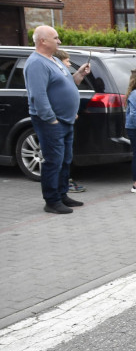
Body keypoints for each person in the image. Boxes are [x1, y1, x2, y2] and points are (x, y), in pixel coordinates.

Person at [25, 26, 91, 214]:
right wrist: (51, 119)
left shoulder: (54, 60)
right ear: (43, 41)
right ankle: (52, 200)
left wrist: (80, 75)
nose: (59, 41)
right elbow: (38, 95)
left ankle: (62, 194)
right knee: (53, 160)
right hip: (51, 122)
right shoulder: (36, 63)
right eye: (55, 38)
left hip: (65, 120)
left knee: (65, 159)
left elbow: (68, 83)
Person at [52, 49, 86, 194]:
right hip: (58, 121)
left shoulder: (65, 75)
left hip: (68, 119)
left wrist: (81, 73)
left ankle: (64, 189)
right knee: (57, 158)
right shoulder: (54, 73)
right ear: (59, 62)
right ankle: (57, 191)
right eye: (67, 61)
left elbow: (72, 83)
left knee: (67, 157)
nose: (69, 63)